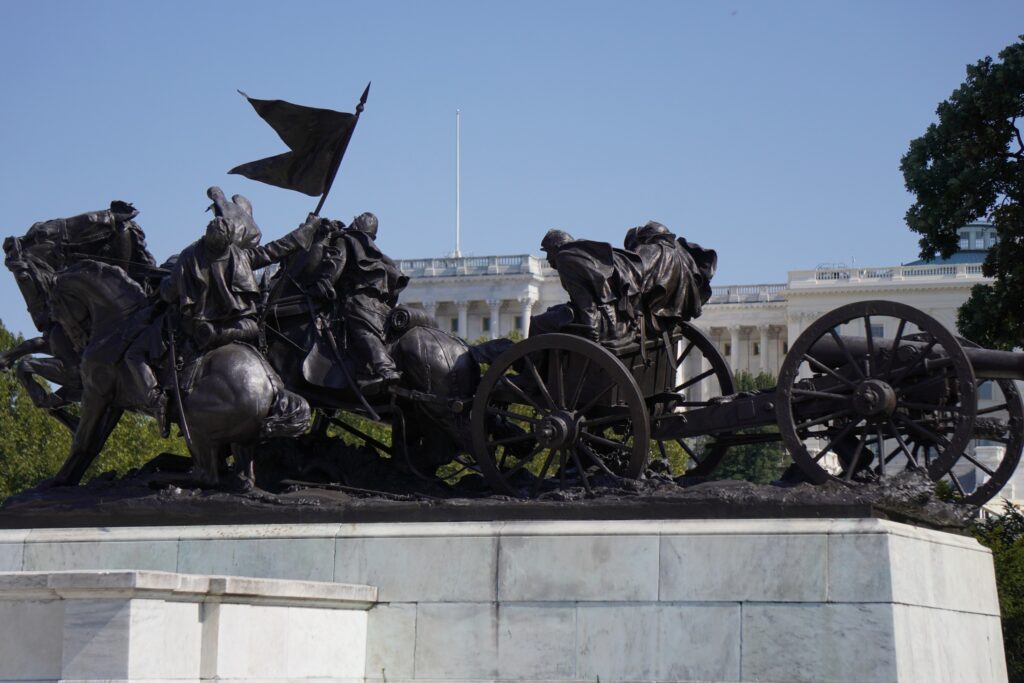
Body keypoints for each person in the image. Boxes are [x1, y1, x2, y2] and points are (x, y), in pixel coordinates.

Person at [123, 188, 317, 434]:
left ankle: (157, 401)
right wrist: (307, 229)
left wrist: (163, 285)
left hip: (201, 331)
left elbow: (169, 294)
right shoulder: (241, 256)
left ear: (206, 238)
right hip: (243, 328)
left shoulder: (189, 257)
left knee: (134, 352)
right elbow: (276, 250)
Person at [314, 212, 408, 387]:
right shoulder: (378, 255)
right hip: (380, 305)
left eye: (355, 220)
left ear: (356, 224)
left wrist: (323, 284)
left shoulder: (347, 240)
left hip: (358, 300)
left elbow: (335, 267)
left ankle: (384, 366)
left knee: (360, 327)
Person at [531, 229, 642, 345]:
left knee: (537, 322)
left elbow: (585, 301)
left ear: (557, 247)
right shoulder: (581, 255)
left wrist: (590, 329)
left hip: (600, 320)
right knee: (552, 311)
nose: (547, 258)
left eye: (548, 252)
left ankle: (532, 362)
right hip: (614, 317)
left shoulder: (564, 259)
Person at [624, 221, 717, 332]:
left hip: (647, 315)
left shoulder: (653, 252)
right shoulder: (680, 256)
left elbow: (631, 277)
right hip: (665, 311)